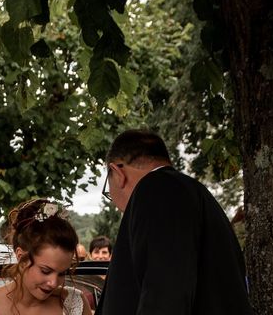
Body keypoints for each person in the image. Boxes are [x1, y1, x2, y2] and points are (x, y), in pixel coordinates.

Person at [97, 129, 253, 315]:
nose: (114, 202)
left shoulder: (157, 189)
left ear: (117, 172)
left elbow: (165, 292)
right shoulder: (197, 195)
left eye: (108, 189)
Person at [0, 198, 92, 315]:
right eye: (45, 271)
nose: (53, 283)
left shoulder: (75, 304)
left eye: (62, 273)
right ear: (21, 258)